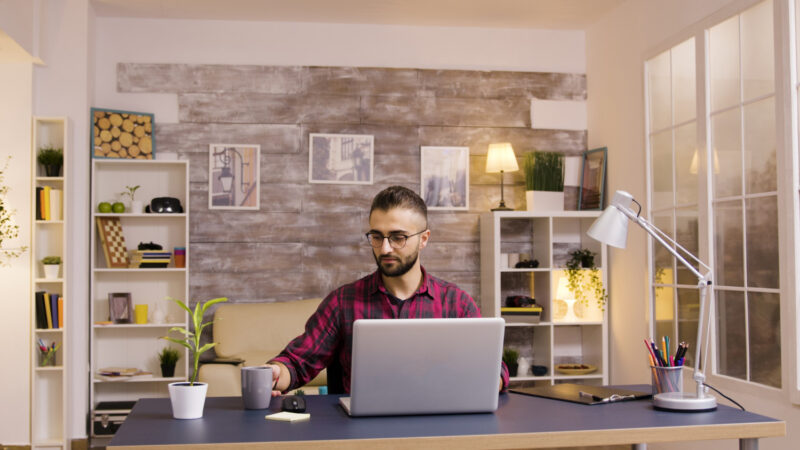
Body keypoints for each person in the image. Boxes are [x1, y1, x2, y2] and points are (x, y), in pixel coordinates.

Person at [265, 185, 509, 395]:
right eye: (377, 236)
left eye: (398, 237)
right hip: (359, 435)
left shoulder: (455, 303)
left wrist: (489, 380)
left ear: (424, 239)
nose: (385, 249)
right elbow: (297, 363)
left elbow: (494, 369)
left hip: (438, 428)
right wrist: (276, 373)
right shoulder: (344, 301)